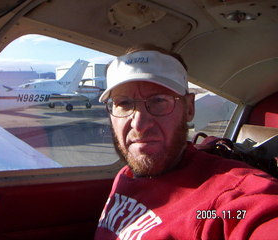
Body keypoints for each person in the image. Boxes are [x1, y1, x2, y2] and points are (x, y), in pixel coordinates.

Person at [94, 44, 278, 240]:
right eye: (123, 103)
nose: (139, 125)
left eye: (158, 101)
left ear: (189, 108)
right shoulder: (127, 173)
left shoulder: (231, 196)